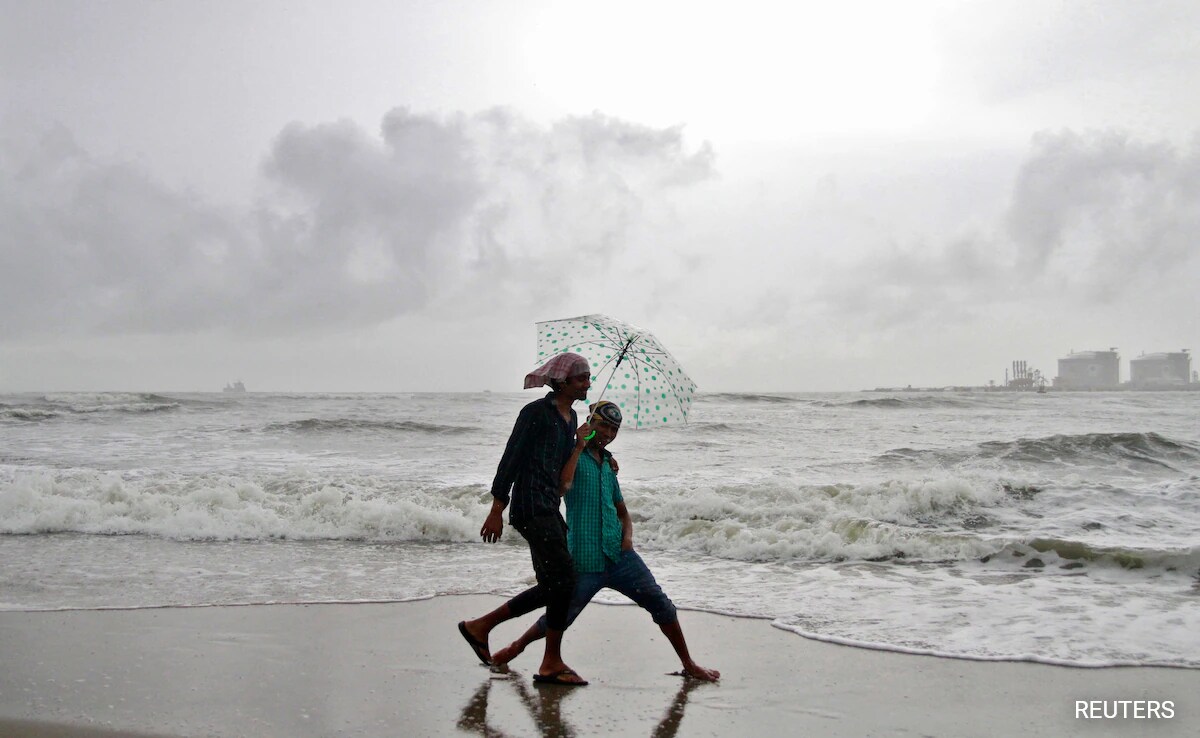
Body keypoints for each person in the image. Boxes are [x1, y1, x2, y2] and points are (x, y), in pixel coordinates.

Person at [490, 400, 719, 682]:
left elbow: (622, 511)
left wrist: (628, 538)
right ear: (590, 423)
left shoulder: (609, 465)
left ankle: (689, 663)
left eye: (614, 429)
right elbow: (562, 487)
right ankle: (515, 648)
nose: (608, 433)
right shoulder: (571, 456)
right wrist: (578, 446)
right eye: (603, 426)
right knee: (561, 616)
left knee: (661, 604)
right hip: (585, 559)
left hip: (620, 556)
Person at [457, 352, 592, 686]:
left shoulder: (572, 419)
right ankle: (550, 663)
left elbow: (562, 481)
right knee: (565, 580)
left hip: (549, 505)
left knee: (555, 585)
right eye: (581, 378)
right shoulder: (535, 413)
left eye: (588, 378)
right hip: (530, 506)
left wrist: (580, 447)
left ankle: (481, 627)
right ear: (563, 382)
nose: (588, 383)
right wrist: (495, 510)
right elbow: (511, 459)